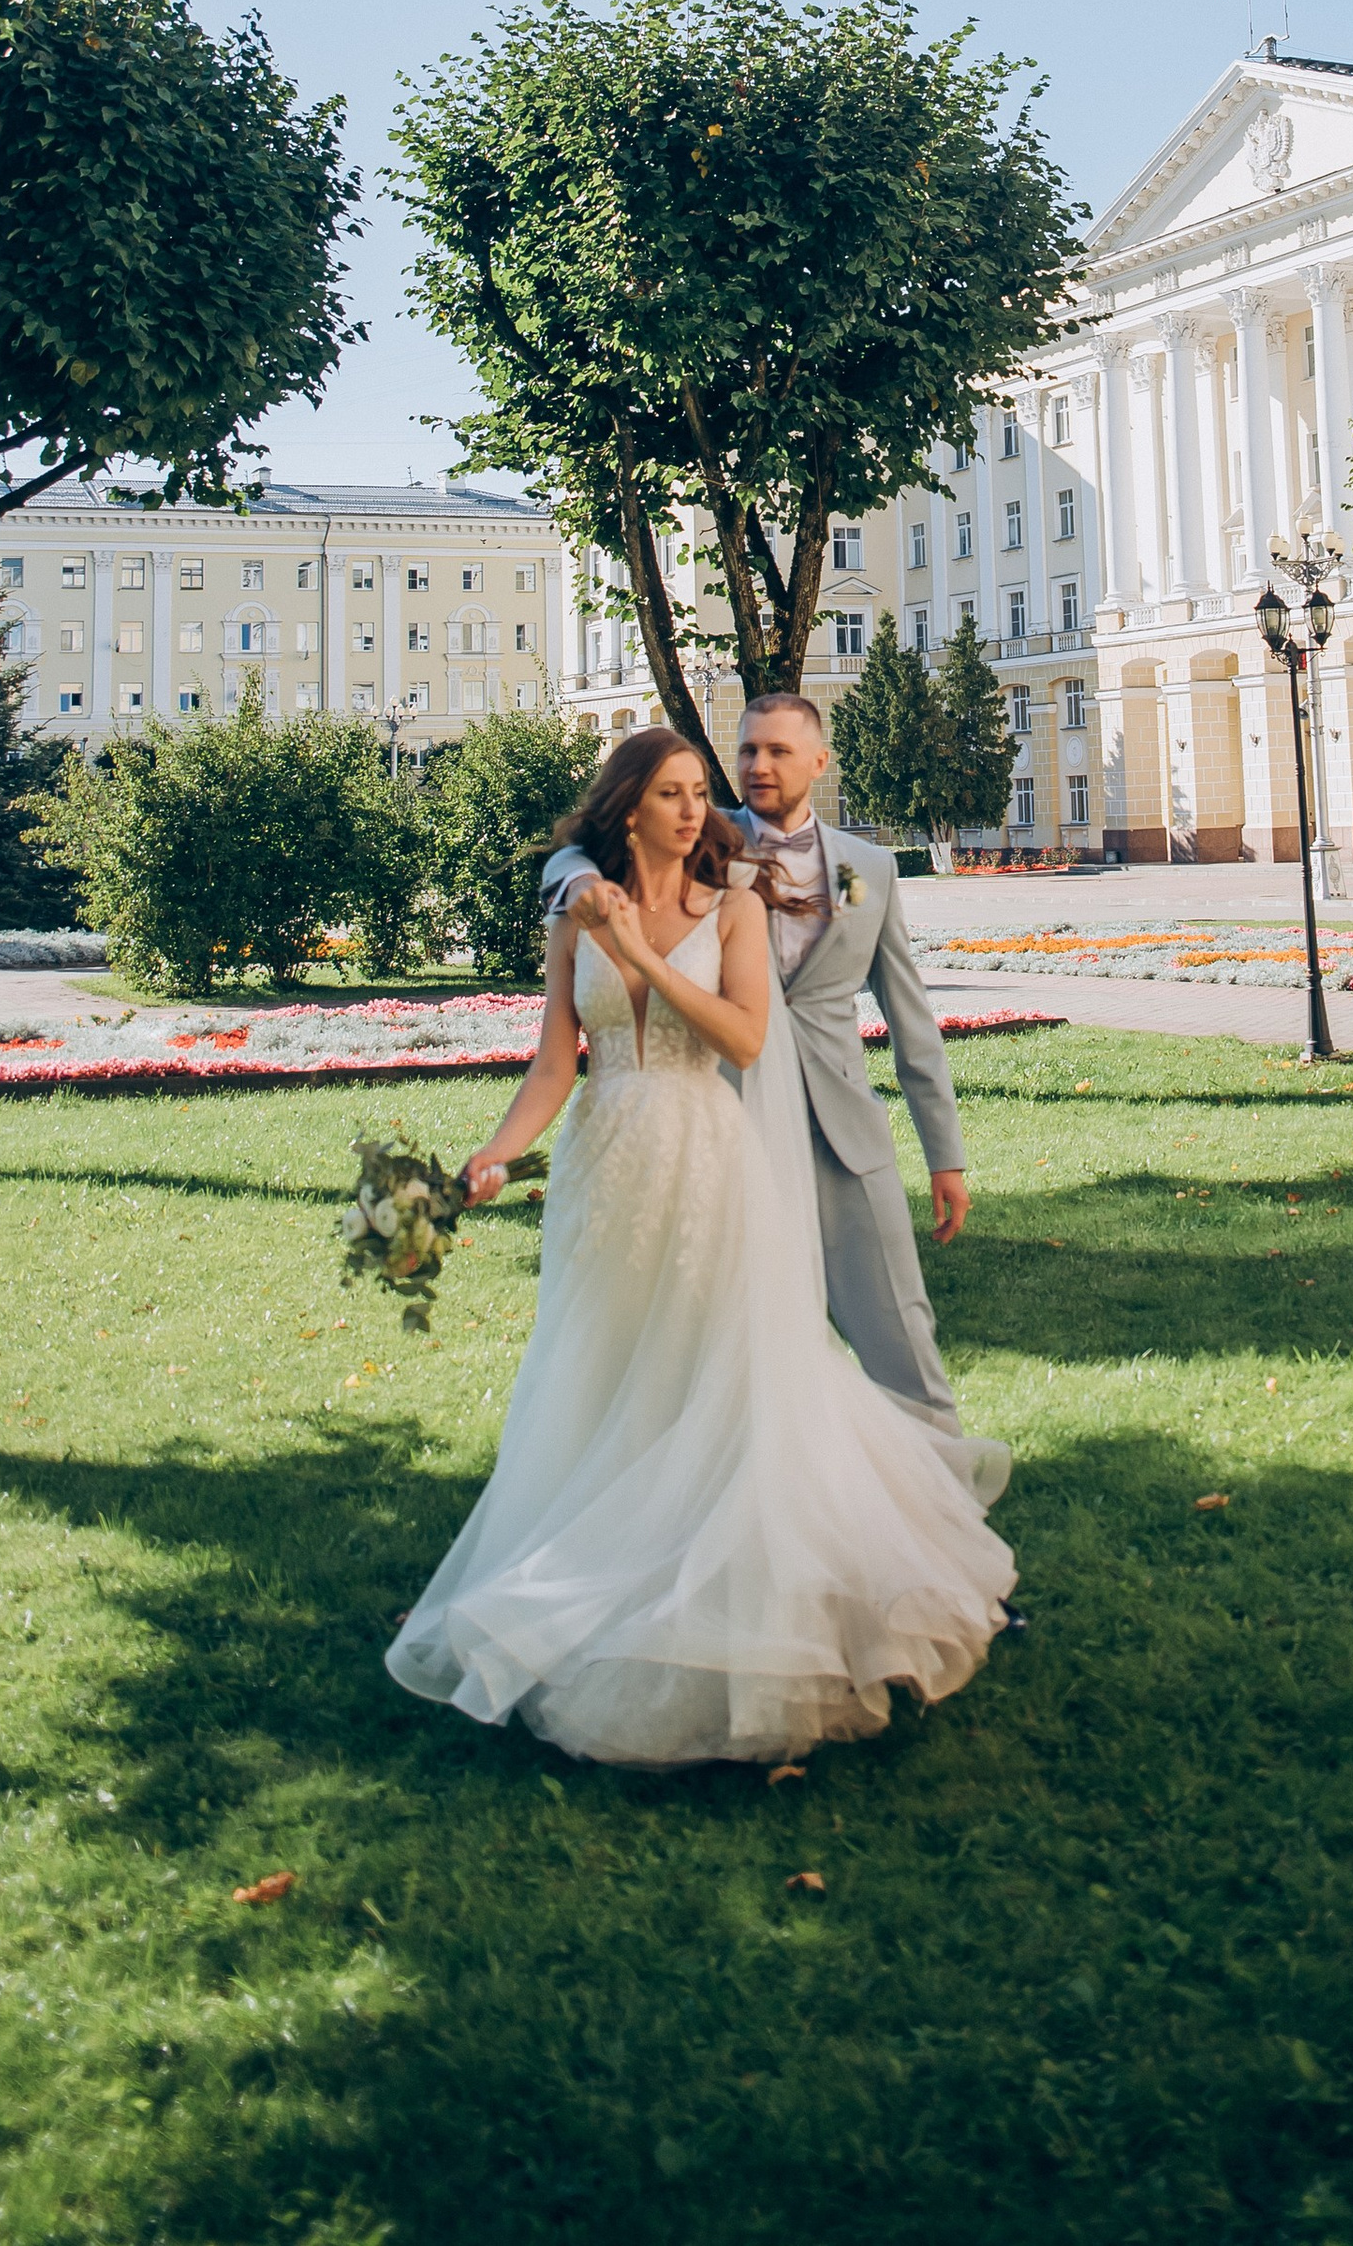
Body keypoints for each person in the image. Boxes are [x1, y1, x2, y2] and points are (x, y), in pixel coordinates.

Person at [385, 726, 1013, 1767]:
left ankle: (733, 1579)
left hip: (703, 1155)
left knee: (711, 1370)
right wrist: (485, 1159)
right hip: (603, 1163)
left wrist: (638, 956)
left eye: (697, 793)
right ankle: (605, 1562)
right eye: (672, 794)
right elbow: (554, 1064)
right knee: (604, 1370)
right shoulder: (575, 912)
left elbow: (744, 1037)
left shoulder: (735, 907)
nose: (696, 809)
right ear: (627, 808)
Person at [540, 689, 1003, 1492]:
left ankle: (945, 1522)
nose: (757, 764)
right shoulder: (703, 838)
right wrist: (576, 876)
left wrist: (946, 1158)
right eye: (749, 749)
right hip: (724, 1141)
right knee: (724, 1352)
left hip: (844, 1145)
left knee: (903, 1342)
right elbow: (575, 849)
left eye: (778, 751)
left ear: (819, 763)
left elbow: (912, 1022)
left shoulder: (871, 869)